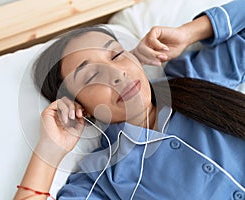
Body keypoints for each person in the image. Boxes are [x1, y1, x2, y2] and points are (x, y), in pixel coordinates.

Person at [15, 0, 245, 199]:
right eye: (93, 75)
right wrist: (49, 150)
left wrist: (189, 32)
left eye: (117, 55)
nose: (117, 75)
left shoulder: (194, 78)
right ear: (81, 106)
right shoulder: (104, 178)